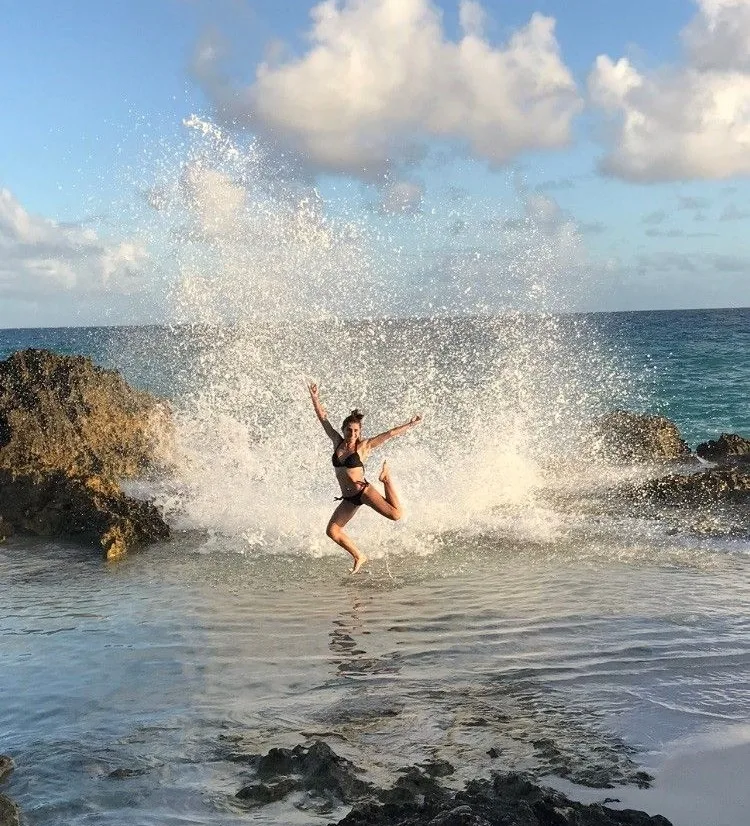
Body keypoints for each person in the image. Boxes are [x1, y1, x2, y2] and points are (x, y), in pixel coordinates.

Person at [307, 381, 422, 573]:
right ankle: (359, 556)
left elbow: (389, 434)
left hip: (363, 491)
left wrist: (411, 424)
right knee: (332, 532)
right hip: (349, 498)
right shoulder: (337, 442)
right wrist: (315, 397)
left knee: (396, 515)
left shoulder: (363, 447)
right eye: (349, 430)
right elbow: (323, 419)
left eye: (356, 431)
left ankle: (386, 479)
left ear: (360, 432)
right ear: (343, 430)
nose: (352, 434)